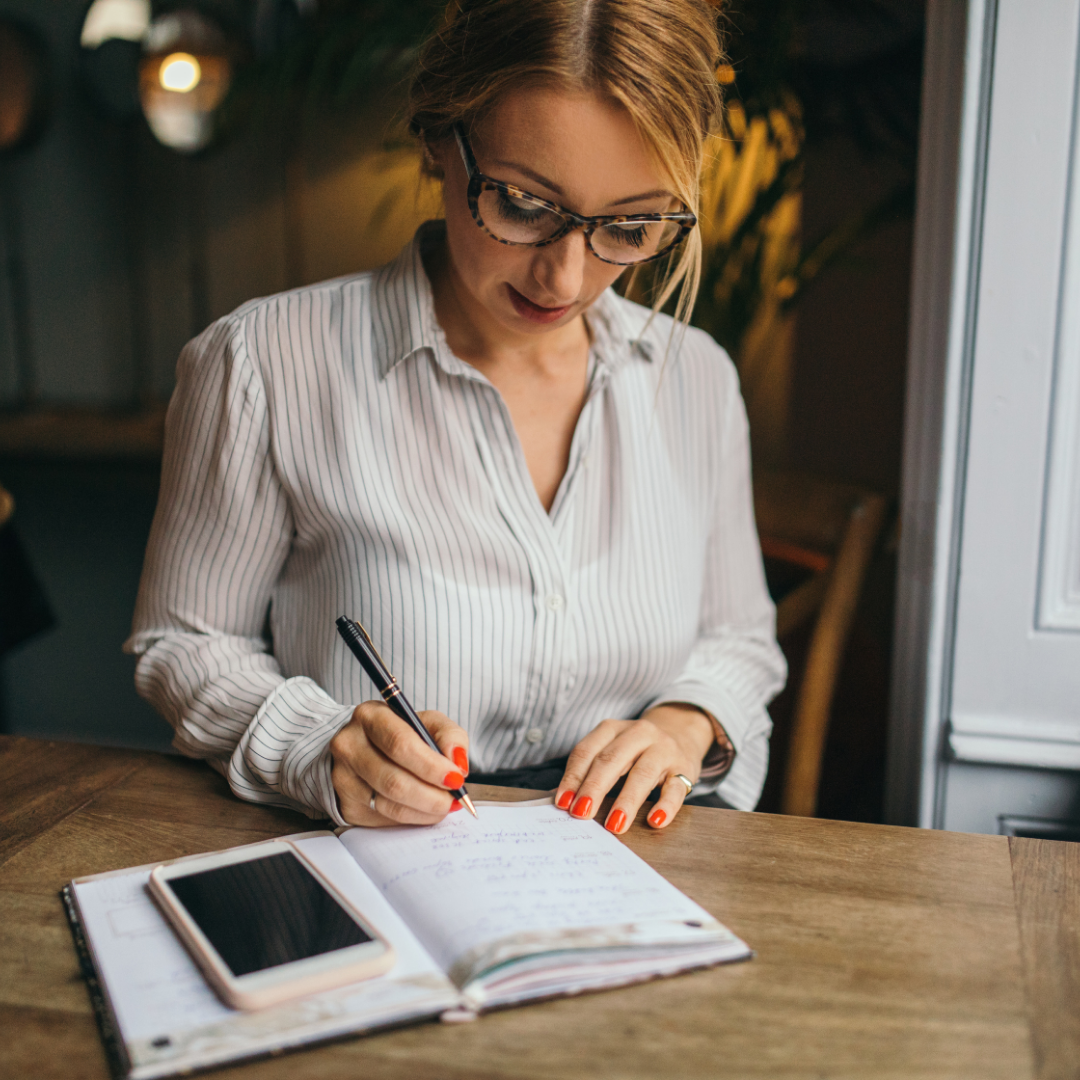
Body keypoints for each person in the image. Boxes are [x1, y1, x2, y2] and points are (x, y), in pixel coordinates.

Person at [126, 0, 786, 835]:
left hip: (644, 868)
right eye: (522, 205)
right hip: (373, 858)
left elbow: (739, 642)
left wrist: (684, 726)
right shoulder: (263, 363)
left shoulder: (695, 379)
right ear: (438, 138)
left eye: (629, 225)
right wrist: (321, 743)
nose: (565, 278)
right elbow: (184, 643)